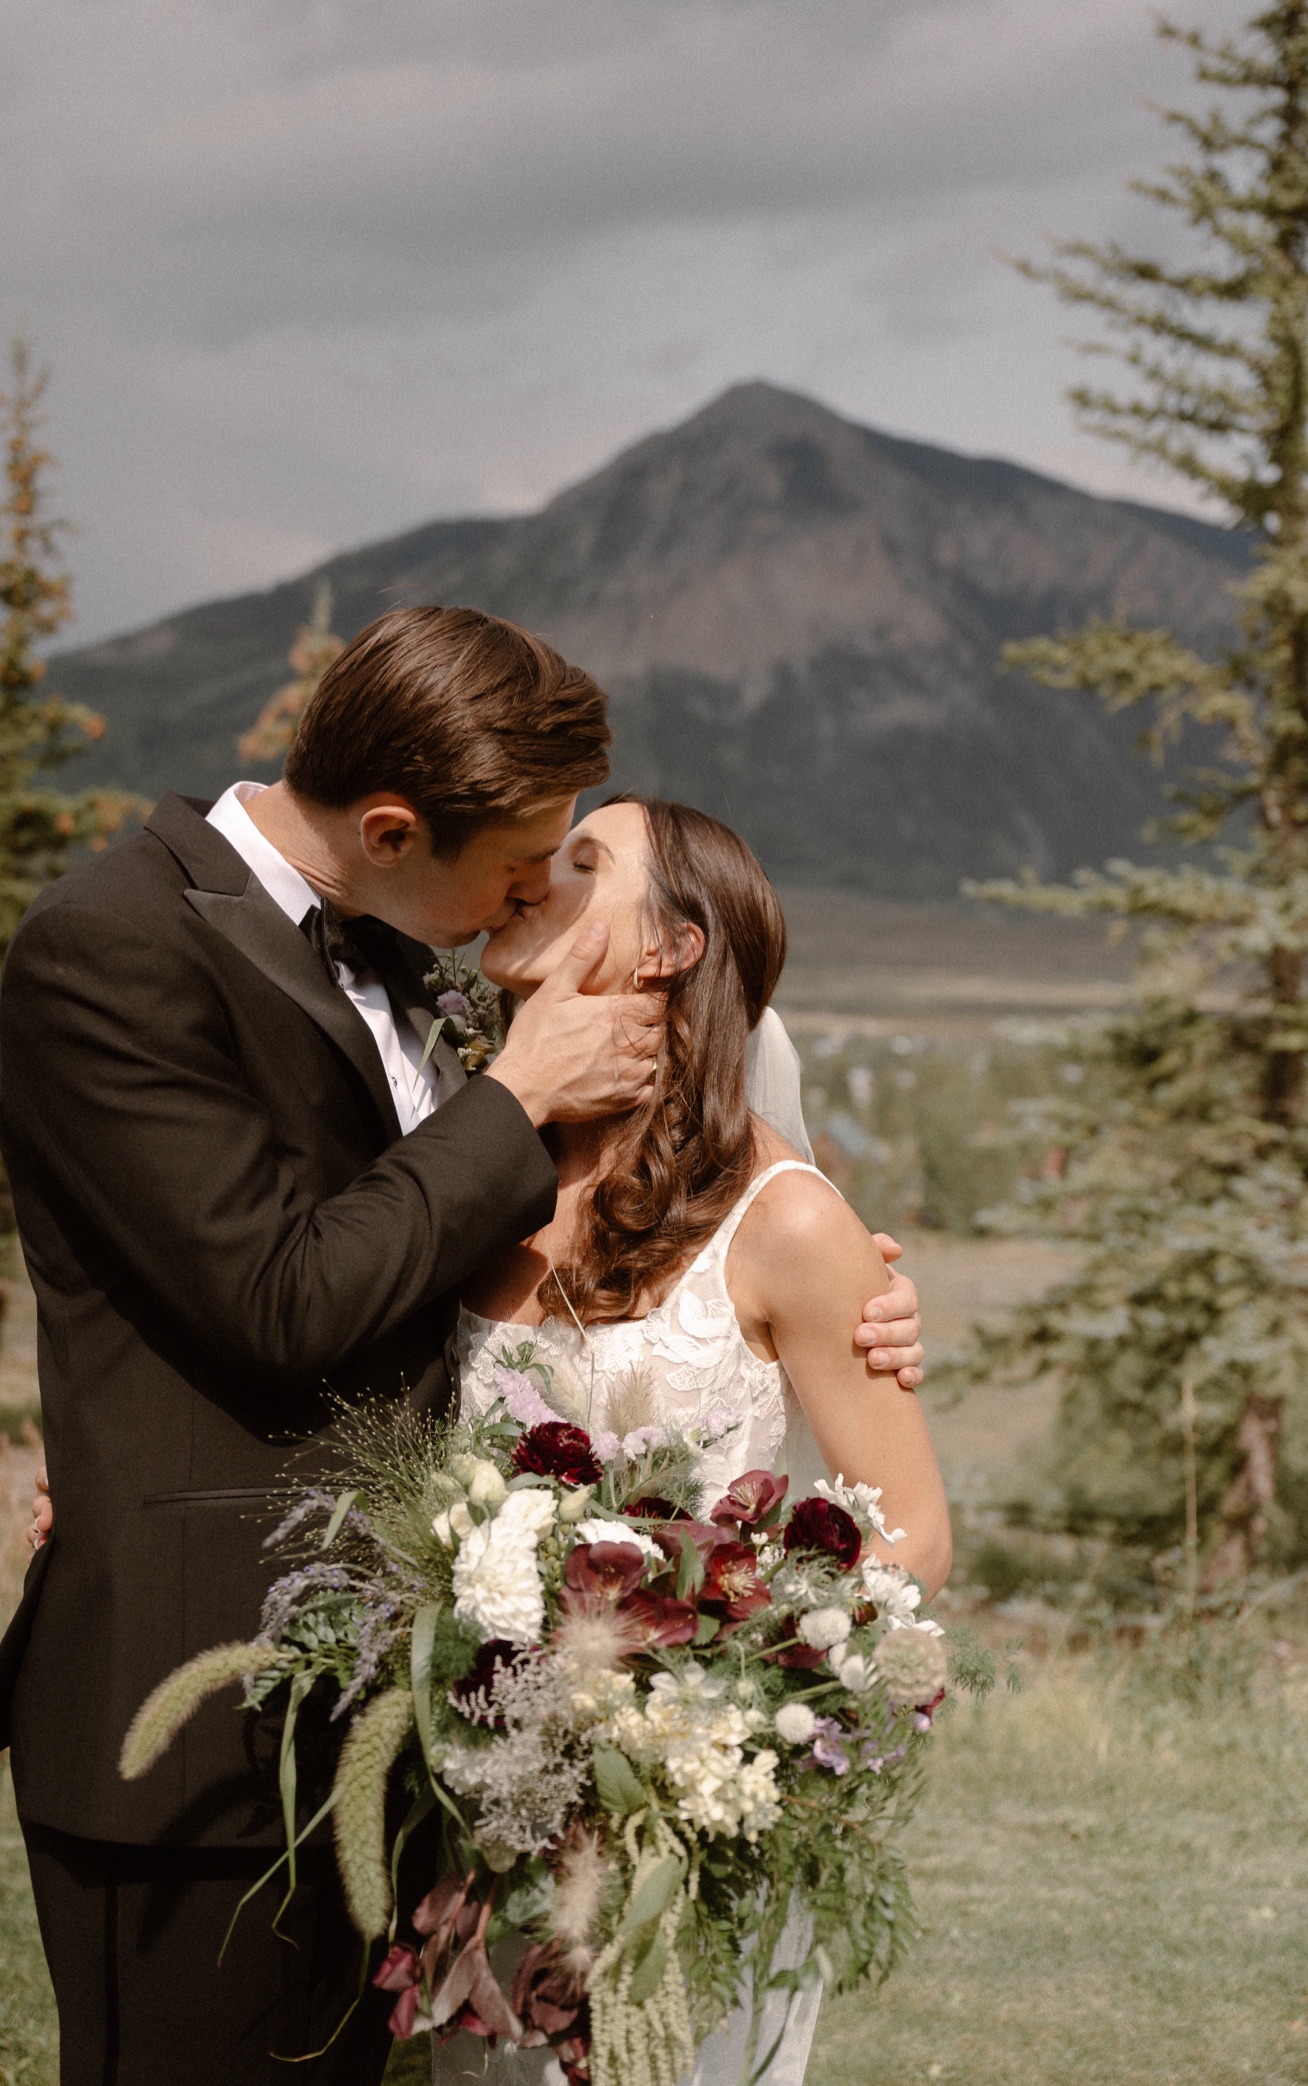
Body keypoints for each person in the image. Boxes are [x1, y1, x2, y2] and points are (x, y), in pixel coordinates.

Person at [0, 604, 925, 2086]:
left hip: (422, 1774)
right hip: (203, 1748)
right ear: (394, 827)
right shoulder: (112, 946)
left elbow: (641, 1156)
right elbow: (274, 1294)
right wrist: (519, 1089)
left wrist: (811, 1244)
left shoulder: (428, 958)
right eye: (527, 856)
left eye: (568, 860)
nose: (534, 883)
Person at [437, 794, 952, 2085]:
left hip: (672, 1838)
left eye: (581, 863)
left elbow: (913, 1535)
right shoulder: (470, 1167)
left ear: (672, 944)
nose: (529, 881)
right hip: (469, 1807)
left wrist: (704, 1724)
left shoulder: (785, 1223)